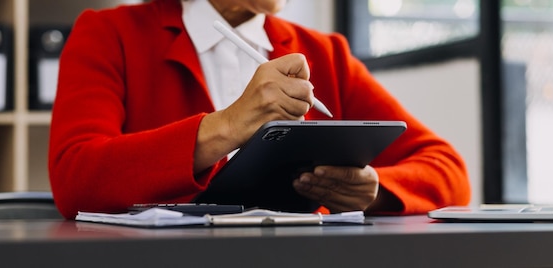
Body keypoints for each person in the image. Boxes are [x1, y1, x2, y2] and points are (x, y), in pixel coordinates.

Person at [48, 0, 471, 219]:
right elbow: (75, 177)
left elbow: (448, 170)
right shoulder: (109, 35)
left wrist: (374, 190)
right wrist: (228, 126)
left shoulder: (326, 54)